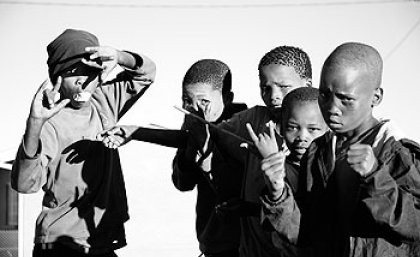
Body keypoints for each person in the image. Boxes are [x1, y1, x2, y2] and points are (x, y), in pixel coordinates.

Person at [260, 42, 420, 257]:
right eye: (325, 95)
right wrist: (278, 192)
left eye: (346, 99)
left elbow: (415, 225)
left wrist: (375, 176)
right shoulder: (318, 151)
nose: (332, 109)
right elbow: (307, 233)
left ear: (376, 97)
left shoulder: (398, 153)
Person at [11, 28, 156, 256]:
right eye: (71, 72)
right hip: (61, 245)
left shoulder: (104, 104)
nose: (82, 80)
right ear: (55, 79)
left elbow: (146, 72)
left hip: (101, 240)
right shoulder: (50, 123)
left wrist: (119, 56)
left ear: (100, 75)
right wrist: (34, 124)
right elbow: (25, 184)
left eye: (89, 71)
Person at [97, 59, 247, 257]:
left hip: (243, 245)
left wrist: (202, 145)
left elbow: (228, 189)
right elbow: (182, 183)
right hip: (211, 243)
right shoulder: (193, 126)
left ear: (227, 98)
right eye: (187, 100)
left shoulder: (245, 129)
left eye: (204, 101)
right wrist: (190, 142)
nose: (194, 108)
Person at [184, 46, 313, 257]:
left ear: (306, 84)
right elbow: (212, 136)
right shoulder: (254, 121)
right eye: (266, 88)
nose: (274, 96)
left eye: (283, 86)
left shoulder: (322, 132)